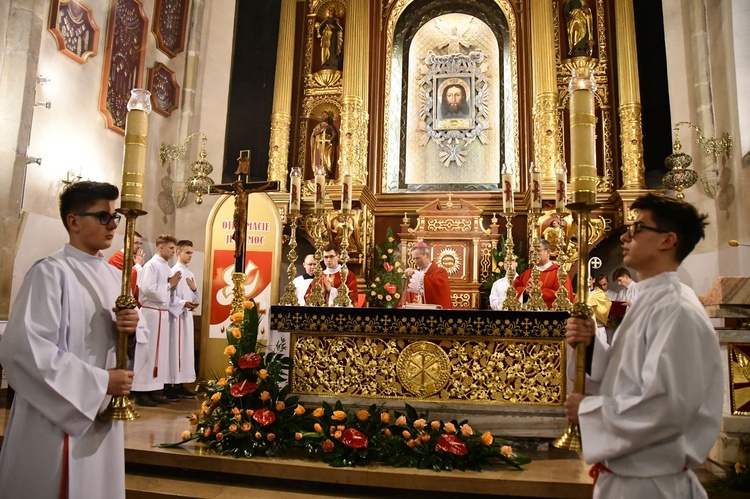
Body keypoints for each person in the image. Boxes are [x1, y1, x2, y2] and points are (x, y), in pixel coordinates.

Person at [564, 193, 723, 498]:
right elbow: (630, 379)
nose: (625, 236)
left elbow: (667, 405)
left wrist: (589, 409)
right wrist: (592, 345)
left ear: (667, 241)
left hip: (651, 484)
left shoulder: (677, 308)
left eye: (637, 229)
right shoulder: (651, 298)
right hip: (630, 477)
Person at [0, 181, 138, 498]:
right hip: (55, 417)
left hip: (101, 414)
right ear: (74, 221)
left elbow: (120, 347)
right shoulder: (51, 273)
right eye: (104, 217)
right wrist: (100, 381)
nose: (113, 225)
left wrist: (129, 334)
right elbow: (23, 350)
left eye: (115, 217)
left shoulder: (112, 277)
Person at [133, 234, 182, 406]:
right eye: (170, 248)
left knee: (159, 354)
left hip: (161, 314)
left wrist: (173, 290)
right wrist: (170, 285)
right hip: (151, 314)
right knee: (148, 353)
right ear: (160, 247)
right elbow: (147, 289)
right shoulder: (151, 265)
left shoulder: (166, 267)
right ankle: (141, 392)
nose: (173, 252)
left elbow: (168, 291)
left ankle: (154, 389)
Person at [165, 240, 199, 400]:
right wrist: (182, 303)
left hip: (186, 316)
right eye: (187, 252)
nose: (190, 256)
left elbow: (194, 298)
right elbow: (169, 298)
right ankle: (170, 385)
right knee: (175, 350)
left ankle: (180, 384)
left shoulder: (190, 273)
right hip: (175, 318)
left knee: (185, 350)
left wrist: (194, 291)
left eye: (192, 253)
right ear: (178, 252)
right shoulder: (173, 272)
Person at [513, 238, 574, 309]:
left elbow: (565, 297)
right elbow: (513, 292)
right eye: (532, 252)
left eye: (538, 251)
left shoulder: (559, 273)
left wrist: (538, 292)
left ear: (548, 252)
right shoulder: (526, 274)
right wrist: (525, 292)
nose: (534, 255)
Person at [403, 242, 452, 309]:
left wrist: (414, 273)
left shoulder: (440, 272)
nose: (415, 262)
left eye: (418, 258)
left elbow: (439, 292)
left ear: (427, 255)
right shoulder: (416, 276)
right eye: (413, 259)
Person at [108, 229, 145, 298]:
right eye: (136, 243)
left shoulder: (135, 258)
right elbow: (124, 282)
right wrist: (138, 266)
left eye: (140, 243)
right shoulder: (117, 258)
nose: (139, 246)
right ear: (127, 243)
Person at [310, 111, 338, 178]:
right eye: (323, 115)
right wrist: (320, 131)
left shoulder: (330, 127)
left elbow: (334, 135)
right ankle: (318, 172)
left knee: (327, 157)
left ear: (328, 117)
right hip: (319, 144)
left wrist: (330, 140)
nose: (324, 116)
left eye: (325, 115)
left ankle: (326, 172)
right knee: (319, 157)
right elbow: (313, 134)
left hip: (327, 144)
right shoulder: (318, 126)